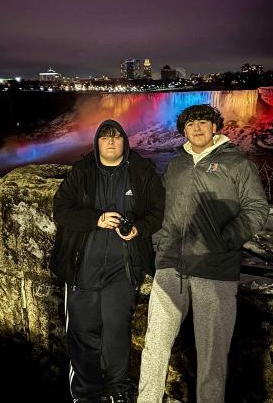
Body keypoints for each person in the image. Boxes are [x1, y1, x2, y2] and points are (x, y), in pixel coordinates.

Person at [138, 104, 269, 403]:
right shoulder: (176, 165)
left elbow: (256, 208)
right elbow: (161, 208)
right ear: (183, 131)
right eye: (190, 124)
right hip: (170, 265)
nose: (197, 128)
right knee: (155, 344)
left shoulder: (238, 165)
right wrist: (157, 240)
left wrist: (224, 239)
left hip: (214, 268)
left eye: (203, 122)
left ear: (214, 127)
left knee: (212, 354)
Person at [50, 119, 164, 403]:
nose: (111, 142)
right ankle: (85, 393)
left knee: (116, 330)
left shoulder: (142, 171)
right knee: (82, 331)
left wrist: (138, 228)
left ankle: (117, 389)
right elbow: (61, 209)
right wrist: (96, 219)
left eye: (116, 137)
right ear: (97, 143)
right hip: (83, 266)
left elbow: (157, 211)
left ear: (125, 141)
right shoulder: (82, 171)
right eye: (105, 137)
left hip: (123, 269)